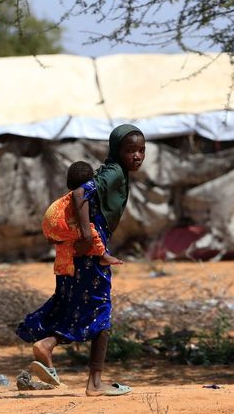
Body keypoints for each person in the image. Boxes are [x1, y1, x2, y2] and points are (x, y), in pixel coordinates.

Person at [16, 124, 146, 396]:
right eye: (130, 150)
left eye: (141, 150)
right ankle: (94, 383)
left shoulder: (112, 171)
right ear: (117, 151)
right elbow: (80, 194)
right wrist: (88, 234)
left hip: (73, 256)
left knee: (74, 308)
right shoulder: (114, 173)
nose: (137, 156)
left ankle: (48, 345)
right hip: (89, 256)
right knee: (101, 315)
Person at [42, 160, 123, 277]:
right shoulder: (80, 195)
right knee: (89, 229)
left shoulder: (64, 199)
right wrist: (88, 238)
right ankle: (103, 256)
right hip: (58, 225)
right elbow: (87, 235)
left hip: (48, 226)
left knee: (66, 242)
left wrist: (51, 234)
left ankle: (63, 268)